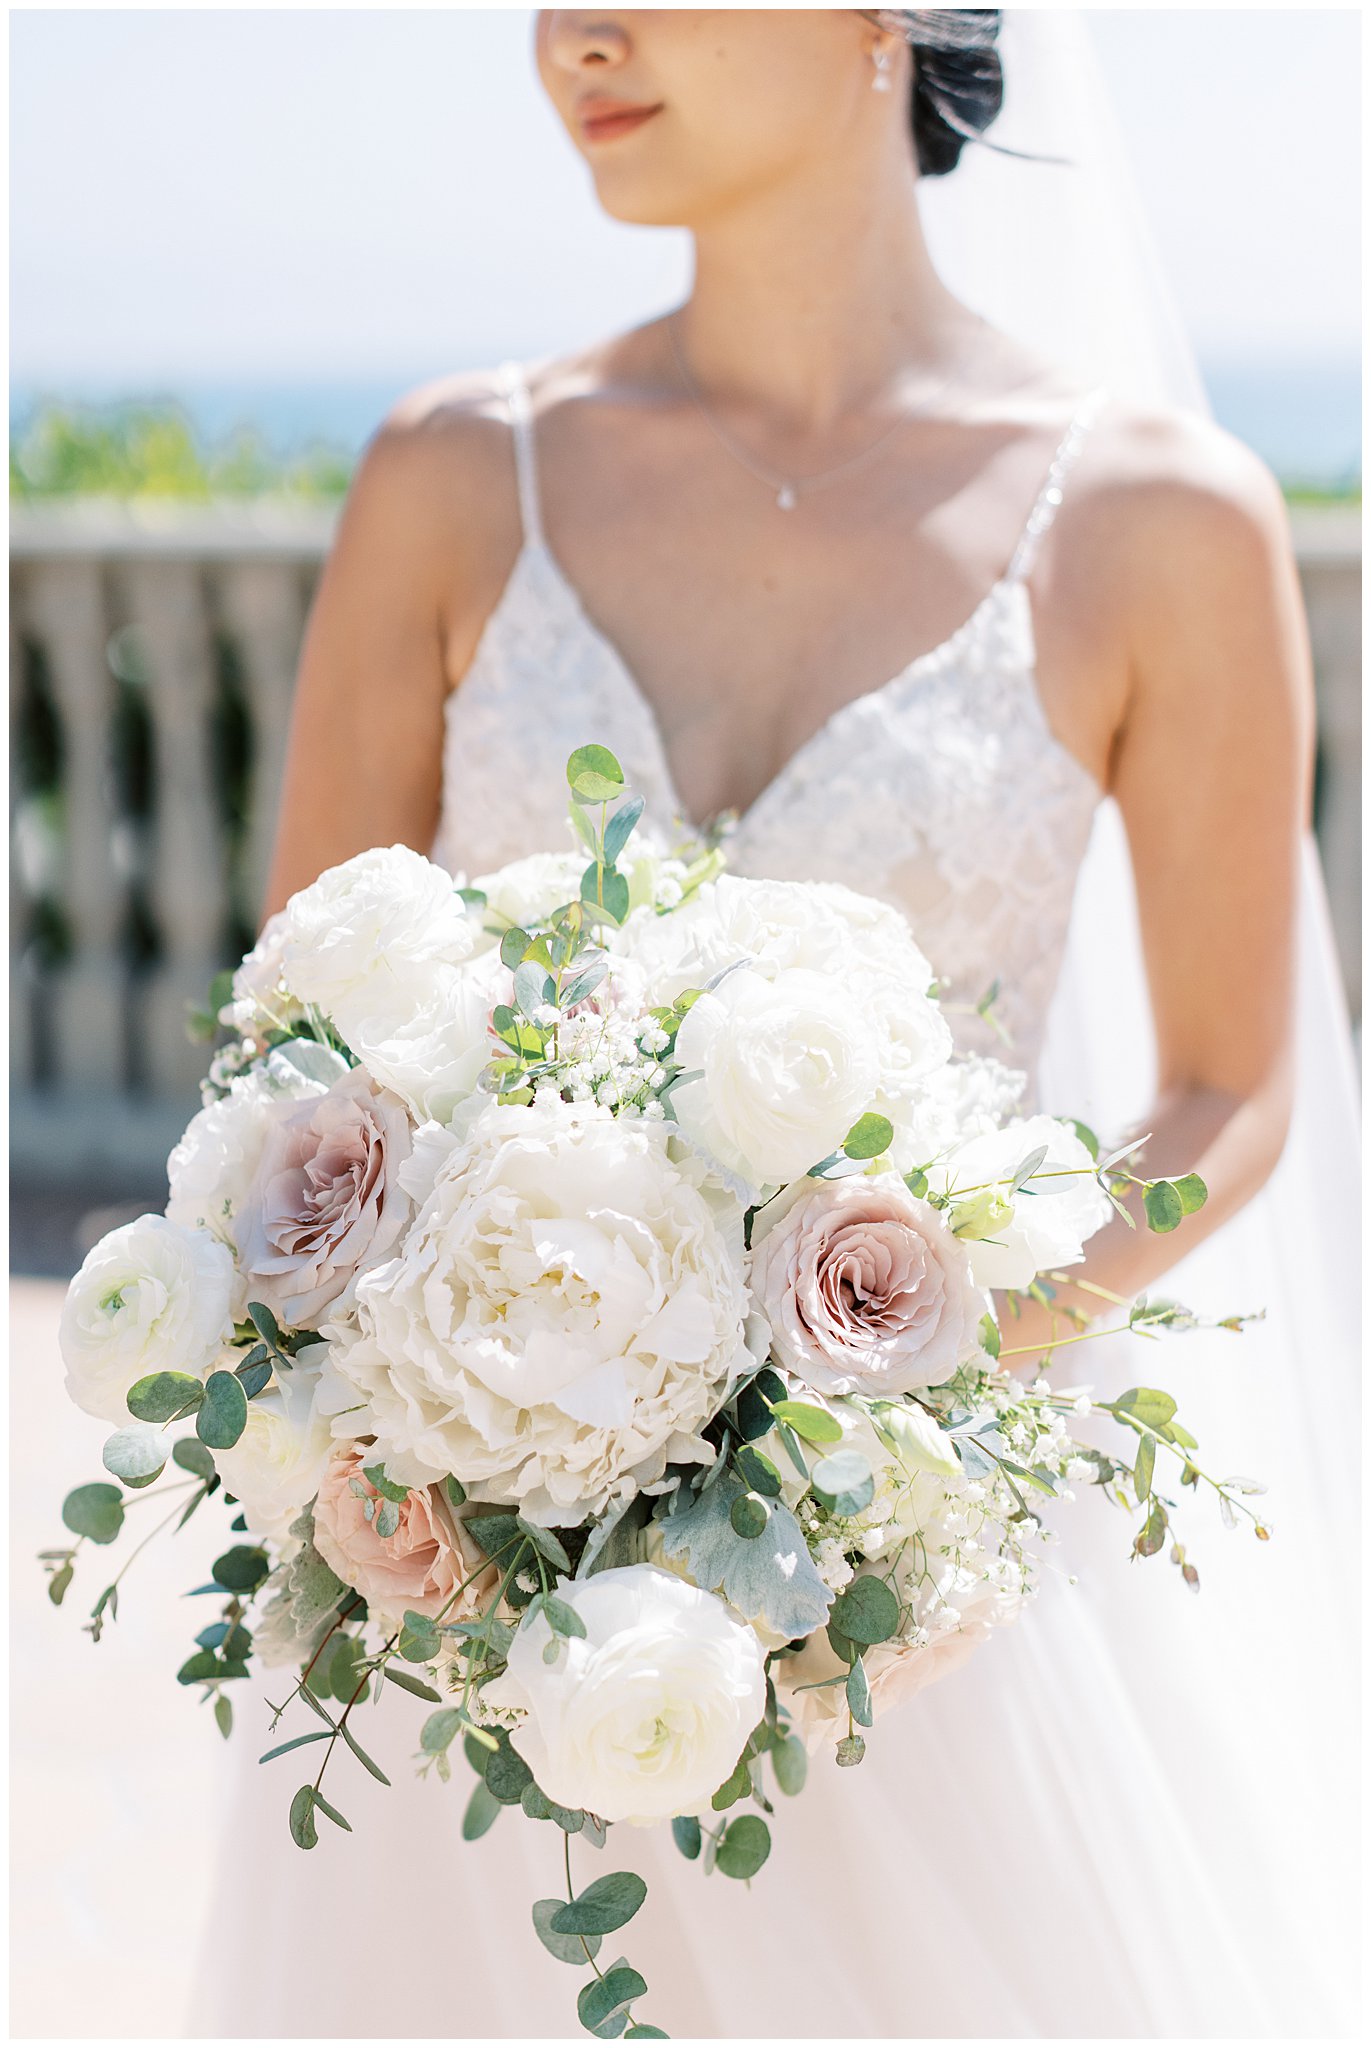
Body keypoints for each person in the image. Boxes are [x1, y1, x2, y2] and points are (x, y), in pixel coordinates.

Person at [193, 11, 1359, 2036]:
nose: (574, 37)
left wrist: (901, 1382)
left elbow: (1224, 1082)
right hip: (485, 1570)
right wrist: (458, 1403)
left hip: (930, 1597)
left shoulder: (1160, 519)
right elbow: (304, 1043)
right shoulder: (454, 478)